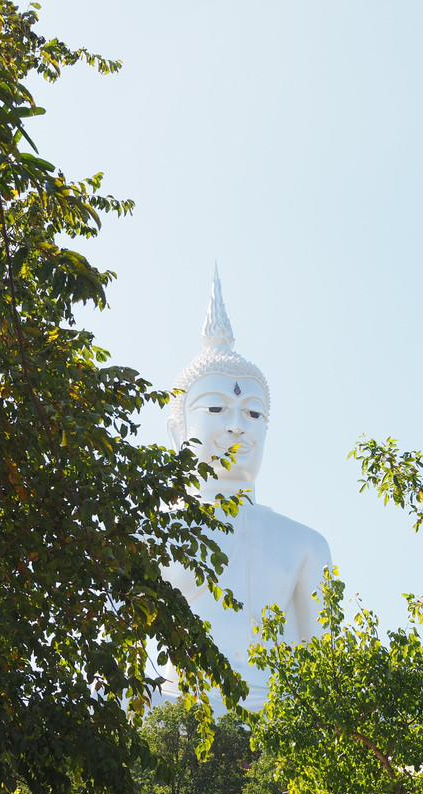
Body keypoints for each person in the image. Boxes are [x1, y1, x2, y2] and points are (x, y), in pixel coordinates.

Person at [157, 269, 332, 710]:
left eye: (253, 414)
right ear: (178, 432)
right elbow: (121, 665)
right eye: (217, 408)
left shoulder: (305, 545)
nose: (238, 427)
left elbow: (329, 672)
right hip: (180, 717)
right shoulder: (150, 536)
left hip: (278, 722)